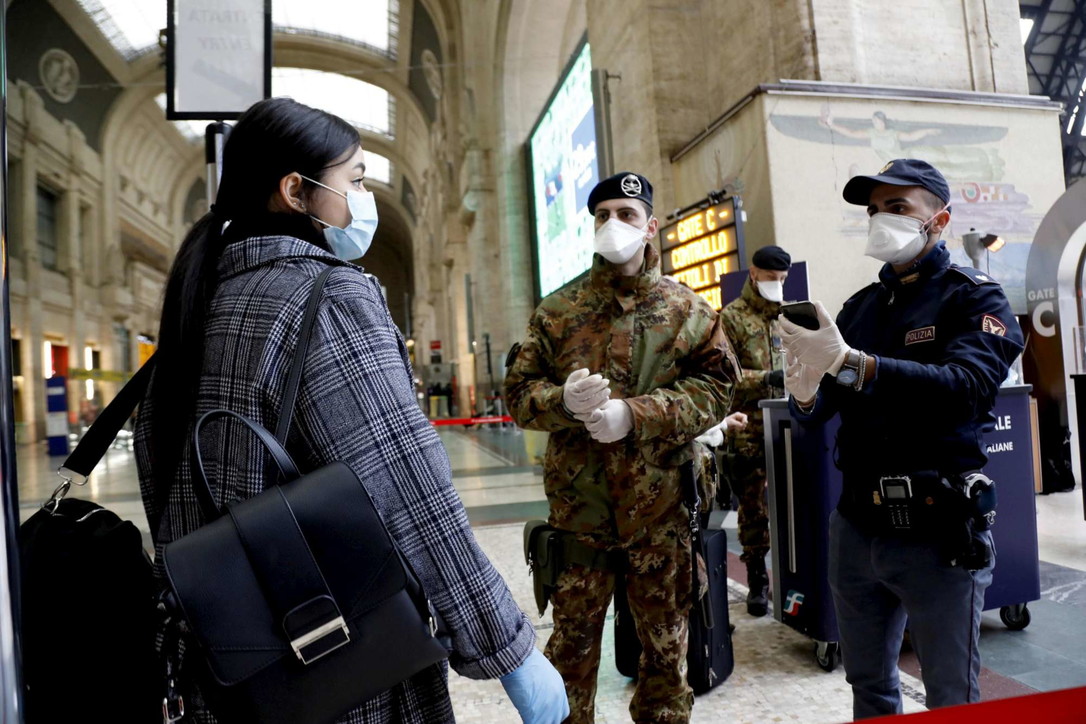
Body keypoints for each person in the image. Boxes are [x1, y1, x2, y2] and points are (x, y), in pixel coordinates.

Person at [134, 97, 568, 724]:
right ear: (296, 191)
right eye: (356, 180)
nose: (363, 196)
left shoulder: (191, 314)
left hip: (222, 670)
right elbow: (409, 490)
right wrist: (508, 650)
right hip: (335, 666)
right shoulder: (328, 297)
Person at [779, 159, 1024, 718]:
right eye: (873, 210)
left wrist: (857, 365)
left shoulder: (975, 298)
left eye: (897, 207)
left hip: (938, 531)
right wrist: (807, 390)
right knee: (868, 687)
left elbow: (968, 385)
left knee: (950, 697)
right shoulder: (859, 310)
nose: (880, 220)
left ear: (938, 219)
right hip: (857, 530)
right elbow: (821, 416)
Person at [505, 171, 739, 724]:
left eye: (626, 215)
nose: (613, 225)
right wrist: (563, 401)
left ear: (650, 225)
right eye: (602, 215)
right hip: (580, 518)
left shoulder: (688, 311)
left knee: (665, 658)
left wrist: (634, 415)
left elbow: (716, 390)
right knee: (569, 658)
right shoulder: (557, 312)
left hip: (659, 518)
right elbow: (519, 393)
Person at [718, 244, 792, 616]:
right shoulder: (731, 318)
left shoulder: (792, 317)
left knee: (794, 504)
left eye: (782, 279)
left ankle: (794, 577)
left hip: (789, 426)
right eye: (770, 278)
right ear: (753, 274)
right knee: (752, 509)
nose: (776, 285)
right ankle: (757, 580)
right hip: (747, 428)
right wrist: (768, 378)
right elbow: (725, 377)